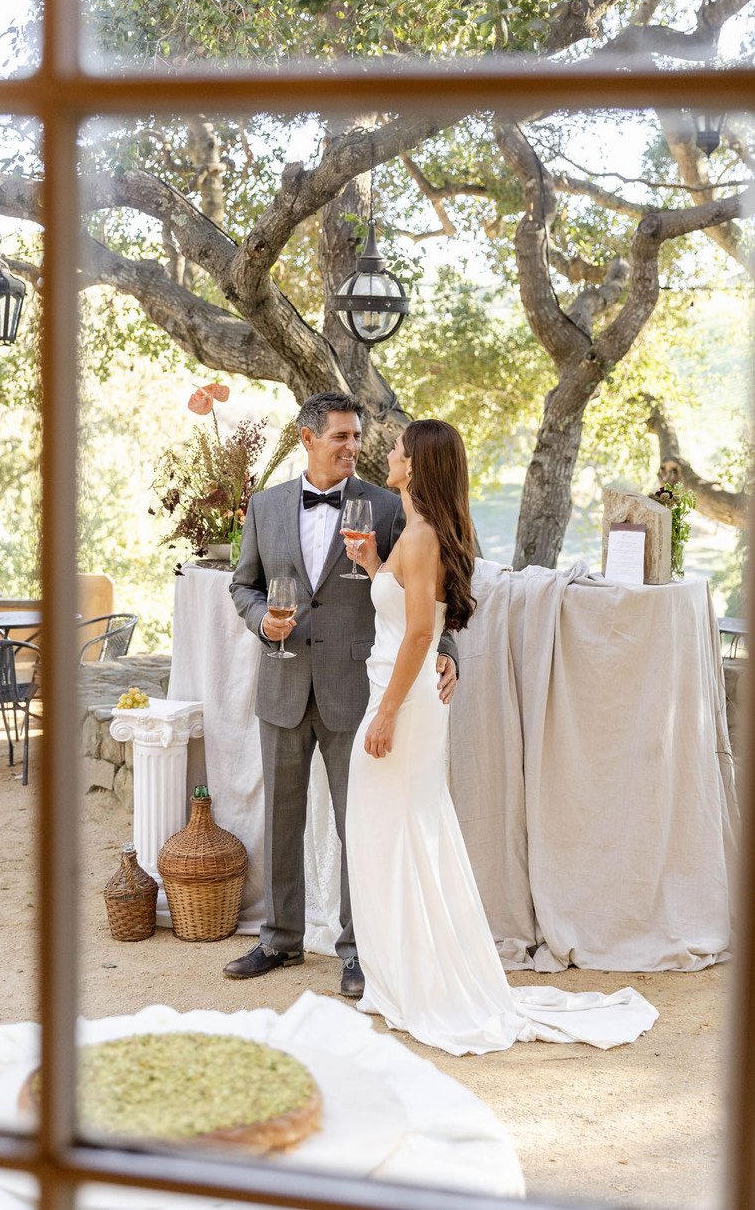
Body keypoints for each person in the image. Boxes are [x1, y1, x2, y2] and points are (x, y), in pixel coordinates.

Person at [344, 419, 658, 1054]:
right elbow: (415, 612)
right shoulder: (413, 533)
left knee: (401, 832)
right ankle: (400, 974)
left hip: (399, 703)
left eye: (399, 447)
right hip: (398, 694)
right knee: (394, 832)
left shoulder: (425, 534)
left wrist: (385, 715)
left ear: (418, 464)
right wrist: (376, 565)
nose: (388, 452)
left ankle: (422, 982)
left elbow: (415, 637)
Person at [226, 393, 459, 996]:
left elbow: (439, 582)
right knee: (281, 817)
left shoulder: (391, 506)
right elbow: (242, 585)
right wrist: (261, 621)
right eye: (341, 437)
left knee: (361, 821)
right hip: (281, 683)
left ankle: (361, 949)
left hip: (357, 689)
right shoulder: (266, 505)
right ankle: (279, 939)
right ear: (308, 438)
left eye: (358, 437)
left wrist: (447, 651)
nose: (354, 447)